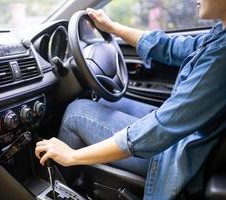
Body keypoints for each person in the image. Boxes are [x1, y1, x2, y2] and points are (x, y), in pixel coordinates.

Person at [35, 1, 226, 199]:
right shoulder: (220, 34)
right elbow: (171, 47)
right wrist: (112, 27)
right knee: (105, 102)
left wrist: (71, 157)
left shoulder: (221, 58)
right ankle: (78, 181)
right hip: (186, 135)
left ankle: (57, 190)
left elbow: (161, 128)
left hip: (180, 154)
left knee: (76, 113)